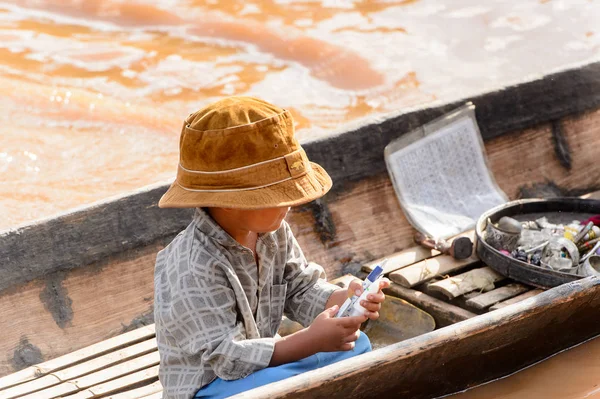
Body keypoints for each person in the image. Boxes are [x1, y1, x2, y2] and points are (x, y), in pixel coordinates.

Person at [154, 96, 389, 399]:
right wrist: (309, 341)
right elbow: (226, 358)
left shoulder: (274, 233)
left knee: (357, 346)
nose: (291, 203)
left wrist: (343, 300)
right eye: (279, 193)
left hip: (263, 368)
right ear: (230, 200)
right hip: (213, 388)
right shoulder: (192, 265)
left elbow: (300, 289)